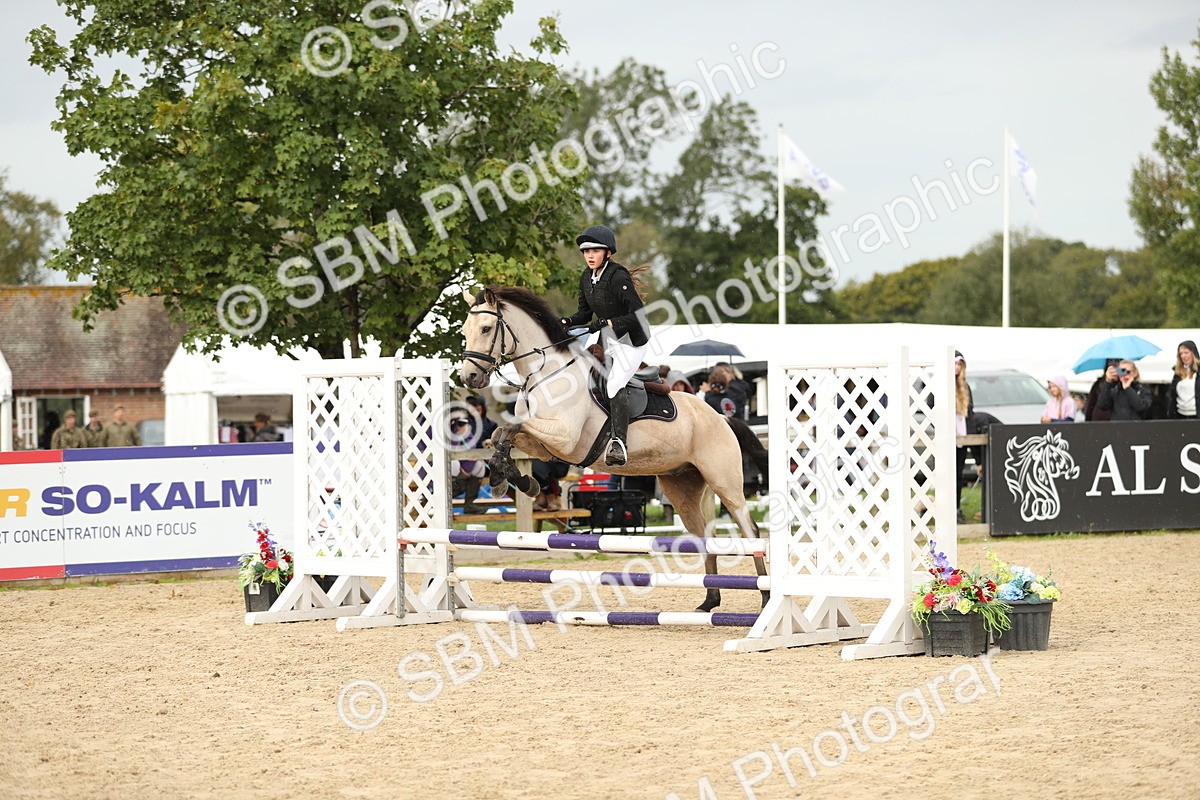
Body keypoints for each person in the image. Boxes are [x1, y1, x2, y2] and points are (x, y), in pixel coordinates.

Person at [560, 224, 648, 467]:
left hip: (631, 341)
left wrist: (610, 322)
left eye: (595, 251)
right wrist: (567, 321)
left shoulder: (618, 277)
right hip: (607, 340)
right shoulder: (586, 277)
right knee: (583, 377)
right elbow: (584, 314)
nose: (589, 256)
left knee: (614, 383)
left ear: (607, 253)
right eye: (586, 251)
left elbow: (639, 314)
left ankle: (619, 443)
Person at [954, 350, 973, 523]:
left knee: (959, 475)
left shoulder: (965, 387)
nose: (957, 367)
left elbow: (970, 412)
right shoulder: (939, 385)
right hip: (946, 436)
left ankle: (956, 508)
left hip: (961, 436)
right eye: (954, 363)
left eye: (960, 364)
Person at [1168, 340, 1200, 420]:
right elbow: (1172, 396)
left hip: (1197, 415)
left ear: (1193, 353)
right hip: (1180, 415)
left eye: (1186, 352)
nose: (1183, 356)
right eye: (1181, 353)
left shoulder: (1198, 372)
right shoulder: (1177, 374)